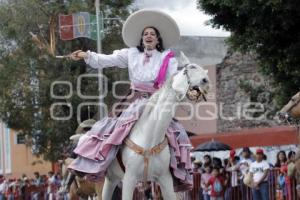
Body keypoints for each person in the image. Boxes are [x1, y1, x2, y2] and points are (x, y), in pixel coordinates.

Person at [68, 9, 194, 191]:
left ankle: (174, 172)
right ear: (141, 39)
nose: (148, 36)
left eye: (152, 34)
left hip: (156, 101)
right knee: (111, 127)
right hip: (133, 100)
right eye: (145, 34)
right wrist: (87, 55)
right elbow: (106, 60)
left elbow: (173, 82)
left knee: (177, 133)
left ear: (158, 39)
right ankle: (104, 164)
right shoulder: (131, 54)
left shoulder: (168, 58)